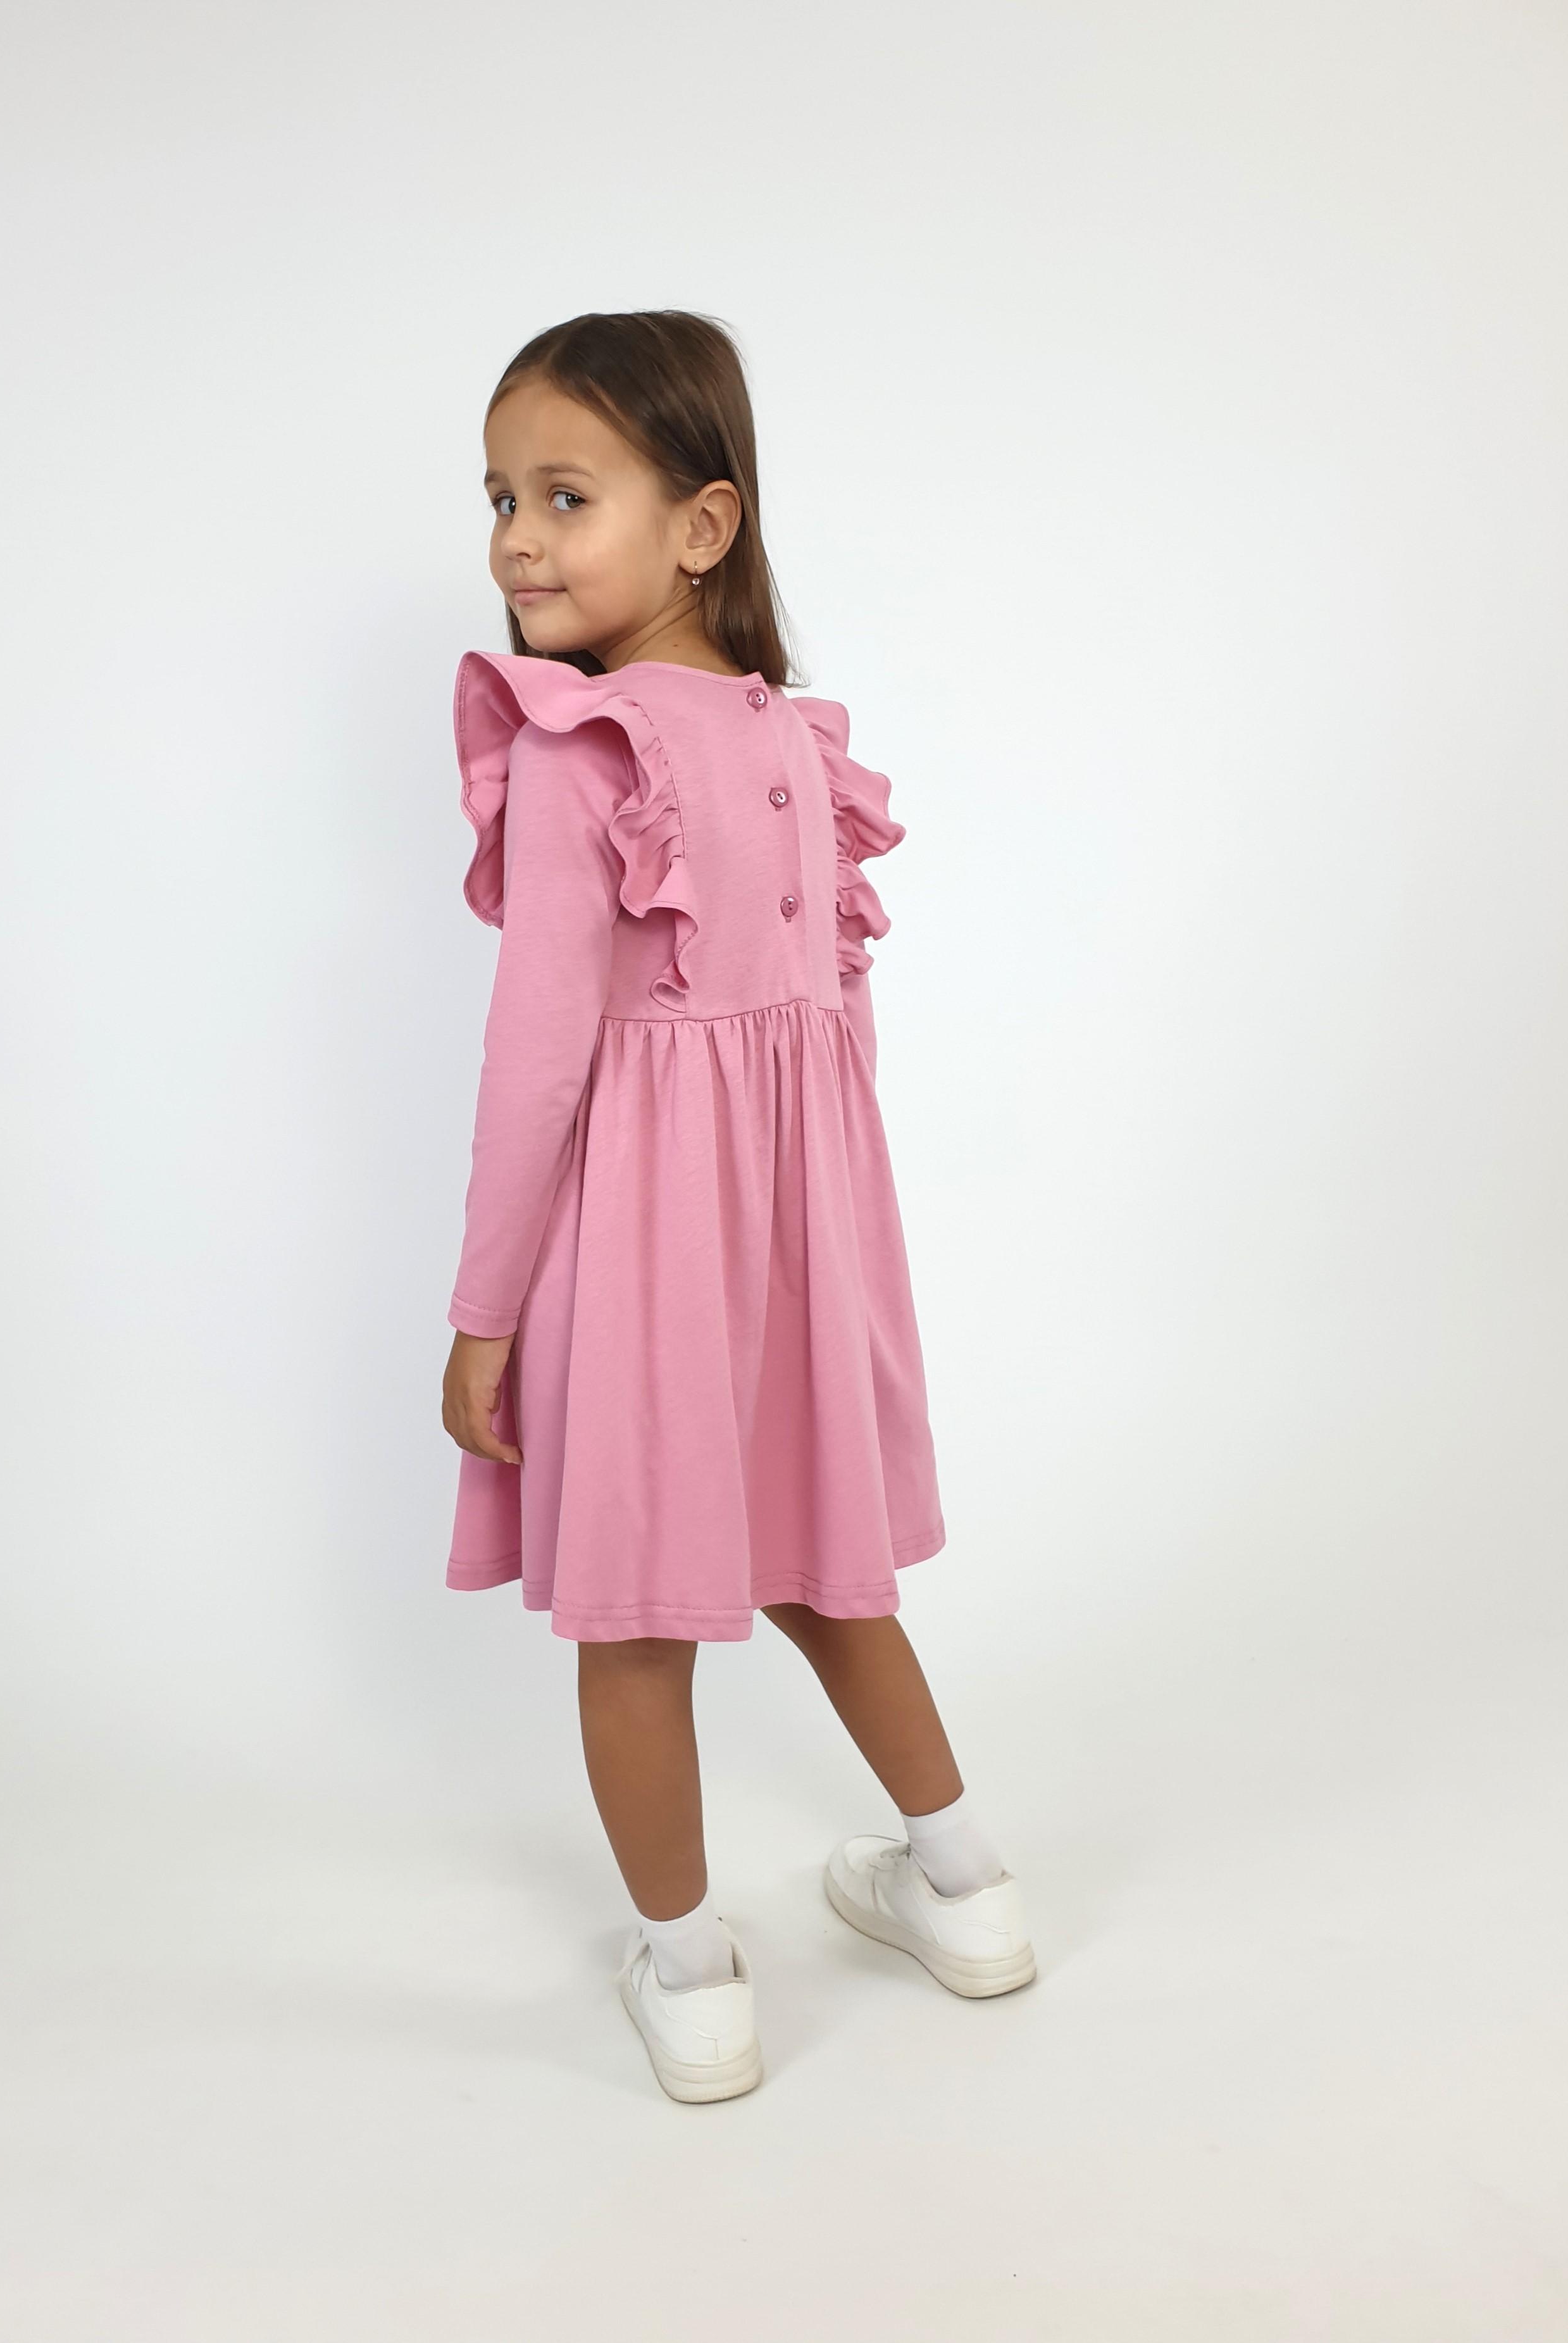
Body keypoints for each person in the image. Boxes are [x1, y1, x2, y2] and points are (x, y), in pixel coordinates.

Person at [439, 310, 1034, 2103]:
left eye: (567, 495)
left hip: (637, 1262)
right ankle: (967, 1888)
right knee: (826, 1576)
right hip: (797, 1256)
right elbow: (836, 1054)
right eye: (500, 498)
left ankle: (693, 1980)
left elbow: (537, 1064)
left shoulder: (581, 748)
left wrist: (483, 1314)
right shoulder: (792, 749)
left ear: (703, 526)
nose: (519, 540)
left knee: (633, 1618)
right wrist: (826, 1273)